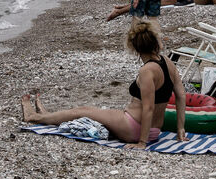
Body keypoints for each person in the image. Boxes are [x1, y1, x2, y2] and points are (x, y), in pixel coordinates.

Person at [20, 21, 187, 146]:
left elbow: (149, 108)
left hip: (134, 128)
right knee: (92, 113)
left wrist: (142, 142)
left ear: (135, 49)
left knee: (82, 111)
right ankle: (45, 116)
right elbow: (180, 95)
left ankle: (33, 117)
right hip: (154, 131)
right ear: (154, 43)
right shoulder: (167, 62)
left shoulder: (147, 71)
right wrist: (181, 128)